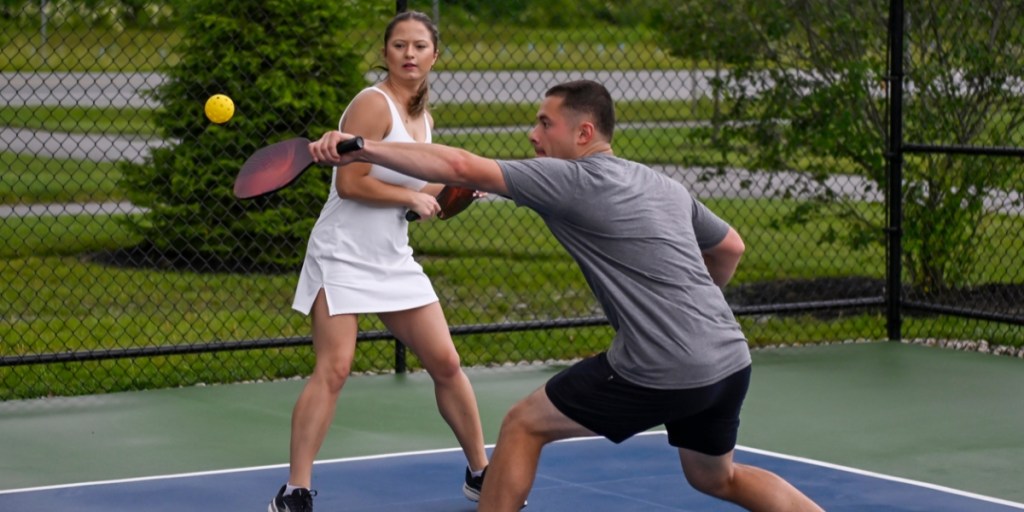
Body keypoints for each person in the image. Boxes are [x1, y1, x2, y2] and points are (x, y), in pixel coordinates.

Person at [310, 79, 825, 512]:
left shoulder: (570, 180)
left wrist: (359, 146)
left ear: (584, 133)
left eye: (544, 124)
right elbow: (731, 247)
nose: (533, 135)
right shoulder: (661, 183)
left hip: (661, 365)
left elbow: (462, 167)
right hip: (730, 358)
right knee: (716, 478)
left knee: (522, 424)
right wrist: (694, 304)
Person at [268, 11, 490, 512]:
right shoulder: (373, 104)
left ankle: (480, 473)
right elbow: (351, 184)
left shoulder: (423, 116)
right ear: (385, 53)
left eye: (419, 46)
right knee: (335, 368)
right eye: (398, 46)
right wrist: (409, 201)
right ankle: (295, 492)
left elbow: (421, 185)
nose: (409, 54)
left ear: (435, 55)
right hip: (342, 252)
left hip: (391, 256)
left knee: (447, 362)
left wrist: (456, 191)